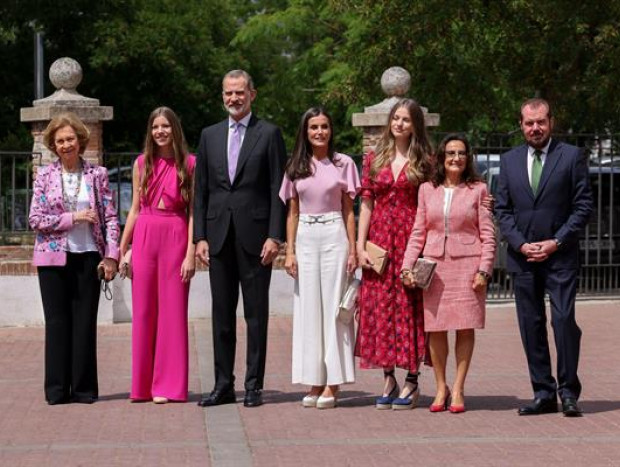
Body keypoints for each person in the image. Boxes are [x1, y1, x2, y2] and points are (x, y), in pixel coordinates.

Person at [194, 69, 287, 408]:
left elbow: (280, 188)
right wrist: (199, 237)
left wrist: (276, 236)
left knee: (256, 315)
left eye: (240, 93)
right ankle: (223, 385)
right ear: (222, 95)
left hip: (256, 238)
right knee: (221, 315)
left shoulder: (269, 134)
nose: (234, 98)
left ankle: (253, 386)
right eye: (228, 93)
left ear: (252, 94)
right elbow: (201, 190)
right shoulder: (209, 135)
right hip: (217, 238)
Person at [495, 98, 593, 417]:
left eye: (540, 122)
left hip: (560, 256)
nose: (535, 128)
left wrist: (556, 241)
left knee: (563, 321)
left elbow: (583, 207)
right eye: (528, 123)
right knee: (531, 325)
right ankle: (543, 393)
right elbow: (503, 210)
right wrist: (521, 244)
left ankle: (568, 392)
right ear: (521, 125)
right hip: (523, 259)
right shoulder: (509, 161)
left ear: (551, 122)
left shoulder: (571, 157)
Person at [29, 112, 120, 405]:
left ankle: (83, 389)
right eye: (60, 141)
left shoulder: (98, 175)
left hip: (88, 257)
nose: (66, 145)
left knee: (84, 323)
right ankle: (56, 390)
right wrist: (73, 217)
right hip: (52, 259)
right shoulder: (44, 176)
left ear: (80, 141)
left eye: (70, 139)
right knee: (57, 323)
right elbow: (36, 219)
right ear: (53, 146)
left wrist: (112, 256)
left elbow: (111, 218)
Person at [401, 134, 496, 413]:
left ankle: (458, 387)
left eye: (461, 153)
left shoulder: (478, 189)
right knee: (436, 329)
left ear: (468, 158)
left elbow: (488, 235)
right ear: (442, 157)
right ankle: (440, 386)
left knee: (465, 328)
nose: (456, 158)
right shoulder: (427, 190)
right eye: (451, 153)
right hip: (435, 269)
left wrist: (484, 270)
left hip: (468, 267)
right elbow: (418, 232)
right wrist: (407, 266)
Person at [279, 107, 359, 409]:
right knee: (309, 309)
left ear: (331, 130)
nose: (319, 132)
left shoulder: (344, 163)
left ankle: (333, 382)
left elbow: (350, 211)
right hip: (305, 238)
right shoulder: (295, 166)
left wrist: (353, 249)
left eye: (324, 126)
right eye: (314, 127)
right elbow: (292, 212)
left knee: (333, 309)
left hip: (334, 234)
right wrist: (290, 251)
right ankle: (314, 378)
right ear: (305, 131)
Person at [355, 98, 433, 410]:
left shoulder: (425, 160)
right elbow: (366, 203)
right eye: (395, 118)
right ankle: (388, 376)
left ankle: (412, 380)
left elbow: (431, 204)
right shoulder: (374, 158)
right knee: (380, 309)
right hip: (379, 245)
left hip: (411, 242)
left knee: (410, 309)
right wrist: (360, 246)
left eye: (405, 119)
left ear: (415, 124)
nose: (399, 124)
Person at [119, 107, 196, 403]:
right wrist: (121, 249)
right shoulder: (142, 162)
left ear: (174, 129)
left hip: (176, 236)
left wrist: (190, 253)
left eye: (165, 126)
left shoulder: (190, 164)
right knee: (144, 312)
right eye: (155, 127)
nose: (160, 131)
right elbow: (135, 209)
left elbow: (193, 213)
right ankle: (142, 386)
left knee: (173, 312)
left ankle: (168, 387)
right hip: (146, 236)